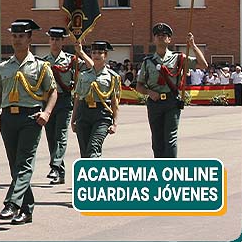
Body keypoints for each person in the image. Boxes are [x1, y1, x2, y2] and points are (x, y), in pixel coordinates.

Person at [0, 19, 58, 225]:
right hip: (8, 118)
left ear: (29, 38)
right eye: (14, 36)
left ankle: (11, 204)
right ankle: (26, 210)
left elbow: (53, 91)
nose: (17, 40)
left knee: (24, 163)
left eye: (21, 36)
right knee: (15, 165)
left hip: (31, 118)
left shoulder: (40, 66)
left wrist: (46, 113)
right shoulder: (3, 67)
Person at [135, 23, 208, 158]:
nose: (161, 37)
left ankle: (172, 169)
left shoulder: (179, 57)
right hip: (154, 103)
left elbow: (203, 65)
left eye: (165, 36)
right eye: (158, 35)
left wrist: (193, 45)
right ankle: (159, 169)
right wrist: (149, 92)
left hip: (171, 102)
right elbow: (139, 86)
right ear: (154, 39)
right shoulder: (147, 62)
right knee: (157, 140)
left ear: (169, 40)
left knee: (170, 139)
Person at [41, 27, 93, 185]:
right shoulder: (43, 62)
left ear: (62, 41)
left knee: (60, 135)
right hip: (48, 101)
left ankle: (55, 166)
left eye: (57, 39)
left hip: (65, 101)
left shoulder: (72, 60)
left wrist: (81, 52)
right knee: (51, 137)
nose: (54, 42)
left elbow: (92, 67)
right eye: (52, 39)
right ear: (49, 41)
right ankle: (59, 172)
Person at [71, 41, 121, 158]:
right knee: (84, 152)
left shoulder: (112, 77)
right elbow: (77, 99)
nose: (96, 55)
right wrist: (73, 120)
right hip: (83, 113)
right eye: (94, 53)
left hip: (102, 115)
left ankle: (95, 173)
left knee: (94, 147)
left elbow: (114, 102)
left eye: (100, 53)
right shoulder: (83, 75)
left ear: (106, 55)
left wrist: (115, 123)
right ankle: (88, 175)